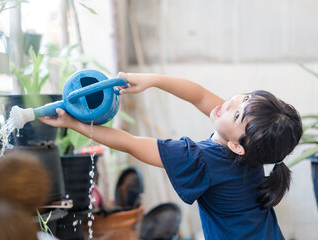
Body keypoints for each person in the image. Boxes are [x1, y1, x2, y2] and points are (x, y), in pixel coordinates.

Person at [40, 72, 303, 240]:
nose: (232, 102)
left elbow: (130, 143)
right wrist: (151, 80)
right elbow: (198, 95)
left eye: (237, 114)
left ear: (237, 146)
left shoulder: (203, 159)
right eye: (244, 98)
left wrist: (73, 124)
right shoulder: (250, 144)